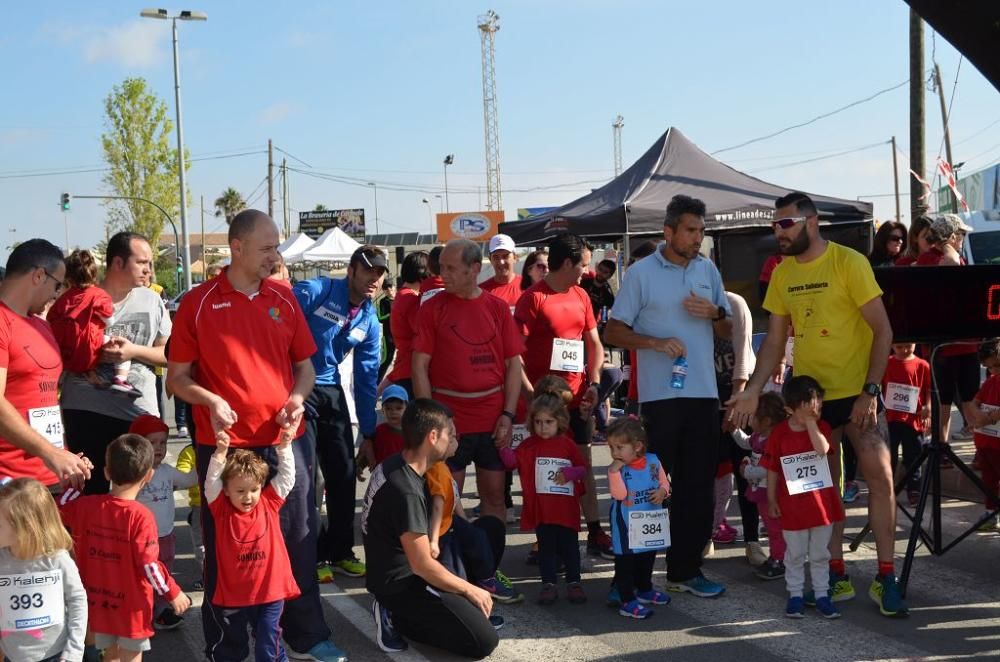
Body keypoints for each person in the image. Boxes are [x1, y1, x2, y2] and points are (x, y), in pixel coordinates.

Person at [167, 209, 347, 662]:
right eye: (267, 248)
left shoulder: (284, 297)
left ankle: (305, 634)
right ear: (238, 247)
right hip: (226, 446)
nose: (275, 255)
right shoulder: (198, 302)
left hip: (285, 441)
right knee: (227, 549)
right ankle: (224, 646)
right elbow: (177, 378)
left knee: (299, 537)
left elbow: (305, 367)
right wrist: (209, 400)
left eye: (277, 247)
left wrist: (297, 398)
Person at [728, 191, 906, 617]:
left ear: (810, 222)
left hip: (858, 394)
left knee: (880, 477)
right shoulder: (784, 273)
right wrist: (753, 387)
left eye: (784, 224)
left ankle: (886, 577)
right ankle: (836, 574)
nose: (778, 232)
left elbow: (883, 331)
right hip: (811, 403)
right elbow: (773, 341)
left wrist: (871, 390)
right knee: (821, 487)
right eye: (774, 225)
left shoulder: (849, 262)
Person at [604, 194, 732, 598]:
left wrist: (714, 314)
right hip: (660, 400)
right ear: (669, 231)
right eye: (691, 230)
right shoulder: (641, 273)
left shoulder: (707, 269)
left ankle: (684, 571)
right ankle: (632, 579)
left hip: (704, 395)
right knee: (649, 489)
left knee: (695, 488)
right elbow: (612, 332)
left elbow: (727, 328)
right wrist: (655, 342)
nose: (698, 238)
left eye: (701, 231)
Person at [362, 398, 499, 659]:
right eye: (450, 433)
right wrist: (470, 589)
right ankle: (393, 614)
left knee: (490, 530)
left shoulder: (398, 464)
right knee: (484, 641)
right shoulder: (406, 491)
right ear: (433, 437)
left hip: (407, 561)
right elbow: (422, 565)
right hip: (401, 584)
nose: (453, 438)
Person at [412, 239, 524, 522]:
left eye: (451, 268)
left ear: (474, 268)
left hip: (492, 420)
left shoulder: (497, 308)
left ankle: (490, 564)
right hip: (451, 422)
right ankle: (452, 564)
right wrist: (435, 421)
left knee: (495, 498)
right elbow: (419, 366)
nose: (443, 274)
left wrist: (508, 415)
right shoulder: (432, 308)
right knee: (446, 501)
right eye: (441, 268)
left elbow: (513, 365)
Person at [514, 233, 611, 558]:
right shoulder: (533, 299)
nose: (586, 271)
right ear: (567, 263)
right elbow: (514, 355)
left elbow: (594, 344)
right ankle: (546, 536)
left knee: (581, 463)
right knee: (545, 469)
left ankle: (595, 530)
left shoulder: (581, 295)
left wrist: (595, 384)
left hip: (579, 397)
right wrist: (531, 396)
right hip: (546, 403)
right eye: (583, 264)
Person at [293, 244, 387, 580]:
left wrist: (370, 431)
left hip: (331, 391)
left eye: (379, 274)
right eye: (367, 272)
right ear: (351, 271)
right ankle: (312, 555)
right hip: (295, 387)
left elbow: (366, 378)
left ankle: (341, 551)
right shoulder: (317, 290)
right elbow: (278, 319)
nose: (373, 280)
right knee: (307, 477)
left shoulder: (369, 320)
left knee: (343, 475)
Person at [59, 434, 191, 661]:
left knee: (109, 655)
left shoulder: (86, 507)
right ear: (148, 476)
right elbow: (149, 564)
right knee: (131, 656)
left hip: (97, 601)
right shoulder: (142, 517)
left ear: (107, 472)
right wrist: (172, 592)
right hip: (132, 607)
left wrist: (77, 481)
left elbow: (60, 506)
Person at [60, 231, 171, 495]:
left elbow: (170, 354)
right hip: (86, 409)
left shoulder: (152, 300)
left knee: (141, 493)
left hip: (137, 412)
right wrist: (86, 365)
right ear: (118, 263)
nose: (149, 270)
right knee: (90, 489)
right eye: (142, 262)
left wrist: (133, 351)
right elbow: (60, 349)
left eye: (150, 263)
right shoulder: (82, 298)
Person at [0, 240, 93, 490]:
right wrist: (50, 453)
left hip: (50, 476)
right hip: (10, 483)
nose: (57, 294)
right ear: (39, 275)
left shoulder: (42, 325)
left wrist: (64, 455)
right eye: (57, 285)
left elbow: (45, 398)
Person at [204, 428, 300, 661]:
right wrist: (220, 453)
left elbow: (287, 477)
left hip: (271, 589)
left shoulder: (269, 503)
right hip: (235, 593)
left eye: (254, 490)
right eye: (240, 491)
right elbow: (210, 482)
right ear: (226, 490)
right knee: (234, 643)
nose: (248, 497)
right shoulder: (220, 509)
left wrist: (285, 446)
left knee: (268, 639)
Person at [500, 377, 588, 605]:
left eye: (548, 422)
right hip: (543, 509)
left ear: (559, 421)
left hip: (565, 508)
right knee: (546, 548)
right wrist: (503, 449)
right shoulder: (528, 445)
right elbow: (512, 463)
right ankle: (548, 583)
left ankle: (573, 581)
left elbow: (582, 469)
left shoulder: (567, 444)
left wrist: (569, 474)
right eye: (538, 422)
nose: (543, 427)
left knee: (569, 546)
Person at [763, 376, 844, 620]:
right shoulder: (779, 434)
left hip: (821, 505)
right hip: (792, 506)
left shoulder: (823, 428)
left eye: (817, 402)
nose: (814, 408)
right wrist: (771, 499)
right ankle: (795, 595)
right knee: (795, 553)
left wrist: (811, 423)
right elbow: (772, 468)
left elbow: (823, 449)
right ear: (789, 408)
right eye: (807, 405)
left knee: (820, 553)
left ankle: (822, 595)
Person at [0, 478, 87, 662]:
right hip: (12, 655)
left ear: (24, 529)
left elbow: (77, 601)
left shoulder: (57, 559)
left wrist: (74, 651)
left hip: (54, 655)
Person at [132, 414, 196, 630]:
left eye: (163, 442)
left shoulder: (166, 472)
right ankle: (142, 613)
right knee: (143, 577)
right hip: (142, 541)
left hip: (166, 536)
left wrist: (208, 457)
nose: (158, 447)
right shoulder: (133, 475)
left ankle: (160, 611)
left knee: (164, 572)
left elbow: (190, 480)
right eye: (151, 443)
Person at [918, 214, 978, 445]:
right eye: (960, 235)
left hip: (965, 344)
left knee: (971, 399)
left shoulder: (956, 256)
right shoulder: (929, 259)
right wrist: (945, 244)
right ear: (951, 237)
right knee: (943, 402)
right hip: (942, 347)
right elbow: (950, 265)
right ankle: (940, 447)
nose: (963, 239)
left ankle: (983, 450)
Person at [606, 416, 672, 619]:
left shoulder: (653, 461)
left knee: (647, 556)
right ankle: (627, 600)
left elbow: (665, 483)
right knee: (626, 561)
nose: (615, 453)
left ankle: (645, 589)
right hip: (626, 522)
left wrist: (662, 491)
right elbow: (619, 495)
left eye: (619, 447)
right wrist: (613, 473)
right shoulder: (619, 469)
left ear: (637, 446)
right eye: (612, 448)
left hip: (649, 519)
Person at [47, 249, 138, 395]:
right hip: (90, 344)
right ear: (93, 274)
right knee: (120, 347)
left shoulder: (64, 298)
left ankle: (77, 376)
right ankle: (121, 379)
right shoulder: (99, 295)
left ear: (69, 278)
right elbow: (109, 321)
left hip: (67, 348)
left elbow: (51, 320)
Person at [713, 291, 761, 564]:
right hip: (709, 395)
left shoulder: (735, 302)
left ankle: (752, 540)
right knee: (709, 472)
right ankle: (706, 535)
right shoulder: (690, 305)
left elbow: (743, 355)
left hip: (742, 392)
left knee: (746, 471)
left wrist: (734, 406)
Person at [733, 392, 789, 580]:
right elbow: (745, 442)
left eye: (753, 416)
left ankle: (780, 560)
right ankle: (778, 556)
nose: (750, 419)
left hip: (773, 491)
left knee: (776, 528)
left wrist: (746, 471)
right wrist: (734, 430)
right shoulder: (759, 436)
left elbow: (767, 469)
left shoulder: (776, 441)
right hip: (761, 490)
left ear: (766, 420)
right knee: (772, 526)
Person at [881, 343, 931, 506]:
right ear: (892, 345)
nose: (904, 350)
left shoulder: (923, 365)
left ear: (915, 344)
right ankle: (887, 488)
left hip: (913, 420)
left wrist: (927, 407)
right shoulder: (885, 363)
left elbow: (929, 390)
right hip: (891, 419)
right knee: (889, 456)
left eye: (908, 346)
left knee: (913, 456)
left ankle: (914, 489)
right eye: (899, 347)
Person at [383, 251, 429, 398]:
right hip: (411, 370)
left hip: (405, 366)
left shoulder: (403, 295)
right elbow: (422, 330)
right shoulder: (411, 298)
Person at [965, 339, 1000, 531]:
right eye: (989, 367)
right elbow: (973, 402)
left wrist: (989, 418)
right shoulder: (990, 381)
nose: (994, 370)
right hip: (986, 441)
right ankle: (991, 511)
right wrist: (979, 417)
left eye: (997, 365)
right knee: (989, 479)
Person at [174, 442, 204, 589]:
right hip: (200, 506)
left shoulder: (229, 445)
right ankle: (208, 576)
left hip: (227, 504)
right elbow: (182, 477)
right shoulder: (190, 451)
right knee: (201, 546)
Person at [370, 384, 408, 469]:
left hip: (405, 478)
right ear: (382, 410)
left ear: (407, 409)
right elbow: (370, 451)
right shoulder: (378, 431)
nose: (393, 412)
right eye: (388, 408)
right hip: (382, 477)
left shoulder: (412, 434)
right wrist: (360, 465)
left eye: (398, 408)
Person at [480, 234, 521, 312]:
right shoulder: (481, 292)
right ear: (490, 260)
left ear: (515, 257)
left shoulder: (528, 286)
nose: (501, 262)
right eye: (496, 257)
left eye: (505, 256)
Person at [580, 258, 616, 322]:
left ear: (610, 276)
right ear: (597, 269)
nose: (601, 273)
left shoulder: (608, 295)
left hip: (592, 325)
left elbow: (605, 317)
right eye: (600, 269)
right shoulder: (583, 283)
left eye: (605, 272)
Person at [377, 279, 396, 381]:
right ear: (383, 291)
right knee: (386, 360)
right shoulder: (383, 302)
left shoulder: (400, 298)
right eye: (386, 288)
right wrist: (392, 314)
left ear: (394, 287)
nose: (389, 290)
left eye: (390, 287)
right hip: (388, 336)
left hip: (401, 335)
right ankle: (376, 385)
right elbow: (380, 318)